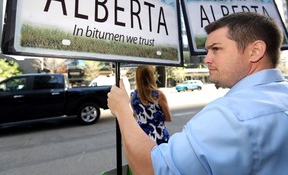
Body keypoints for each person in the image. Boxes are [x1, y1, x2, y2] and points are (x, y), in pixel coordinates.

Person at [107, 12, 288, 175]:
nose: (207, 59)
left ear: (255, 51)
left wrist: (122, 110)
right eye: (207, 51)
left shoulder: (227, 115)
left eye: (216, 49)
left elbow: (151, 170)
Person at [130, 65, 172, 145]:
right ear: (151, 76)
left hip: (142, 138)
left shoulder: (133, 96)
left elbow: (136, 115)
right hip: (159, 138)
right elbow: (168, 118)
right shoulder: (158, 95)